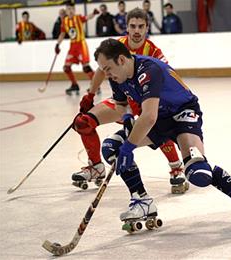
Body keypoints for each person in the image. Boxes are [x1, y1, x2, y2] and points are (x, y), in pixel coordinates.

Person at [96, 38, 231, 229]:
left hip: (182, 113)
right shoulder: (118, 78)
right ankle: (141, 201)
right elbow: (121, 105)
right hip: (159, 119)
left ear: (121, 60)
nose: (106, 74)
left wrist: (129, 146)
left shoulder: (149, 69)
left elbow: (149, 117)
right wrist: (126, 119)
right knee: (112, 148)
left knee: (198, 170)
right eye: (103, 70)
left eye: (107, 68)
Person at [71, 8, 187, 194]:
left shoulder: (154, 52)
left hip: (143, 102)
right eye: (132, 26)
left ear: (147, 28)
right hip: (122, 102)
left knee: (155, 124)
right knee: (83, 122)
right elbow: (102, 70)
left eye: (141, 26)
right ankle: (96, 167)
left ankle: (176, 167)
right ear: (127, 27)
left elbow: (166, 78)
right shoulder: (118, 46)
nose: (136, 31)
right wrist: (90, 95)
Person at [55, 2, 99, 95]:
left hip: (81, 44)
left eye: (71, 9)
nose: (70, 11)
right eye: (68, 9)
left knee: (86, 67)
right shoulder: (65, 21)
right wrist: (57, 44)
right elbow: (62, 33)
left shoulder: (78, 18)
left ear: (74, 10)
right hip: (72, 46)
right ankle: (74, 85)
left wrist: (93, 13)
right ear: (66, 11)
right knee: (66, 67)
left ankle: (96, 86)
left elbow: (87, 17)